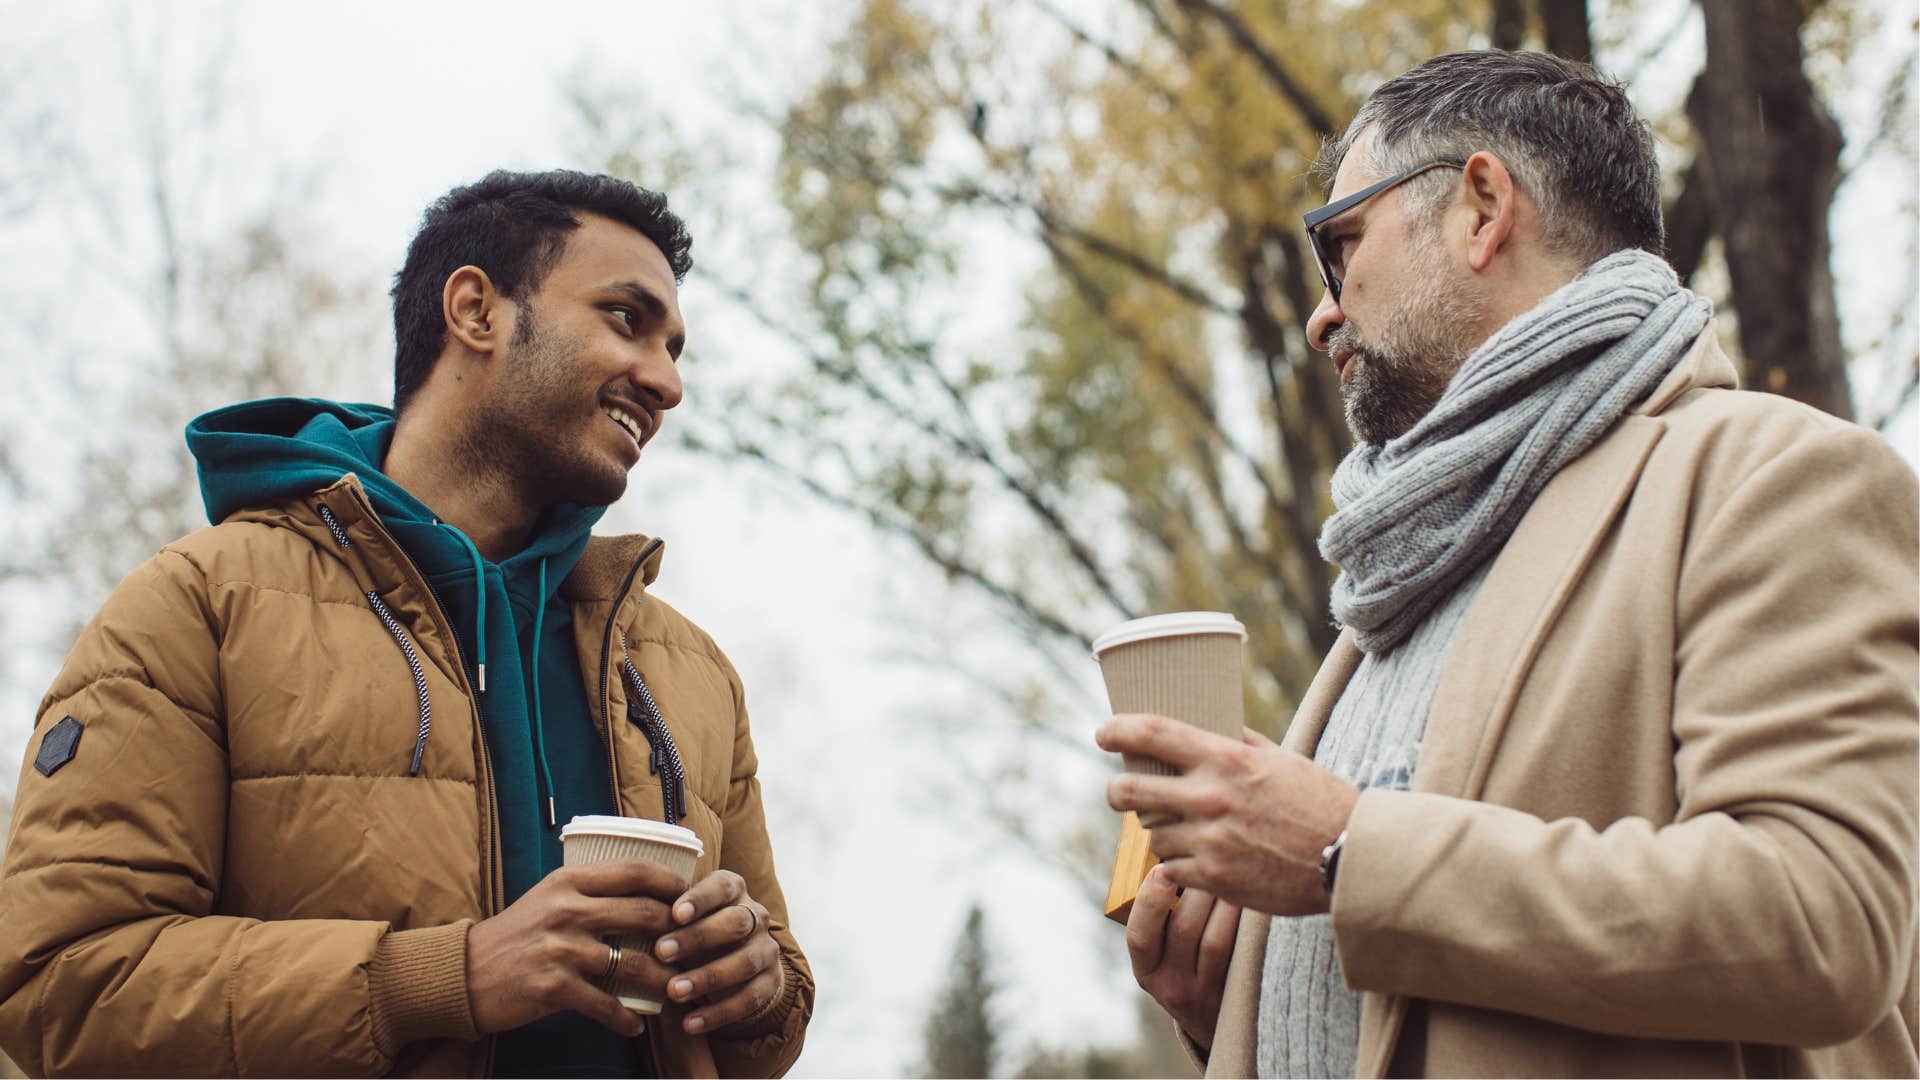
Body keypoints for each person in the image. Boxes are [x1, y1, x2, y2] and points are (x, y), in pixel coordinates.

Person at [1099, 50, 1917, 1077]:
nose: (1321, 315)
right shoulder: (1406, 573)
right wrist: (1241, 1001)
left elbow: (1823, 920)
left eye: (1340, 245)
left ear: (1481, 207)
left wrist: (1345, 850)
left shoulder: (1779, 479)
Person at [0, 170, 813, 1077]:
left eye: (675, 348)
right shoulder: (198, 605)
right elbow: (59, 987)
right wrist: (445, 978)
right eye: (627, 318)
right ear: (476, 311)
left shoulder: (687, 671)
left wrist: (761, 989)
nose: (665, 382)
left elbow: (767, 1031)